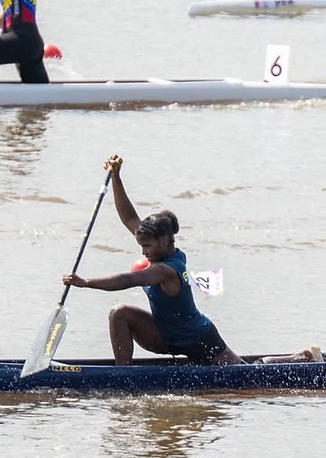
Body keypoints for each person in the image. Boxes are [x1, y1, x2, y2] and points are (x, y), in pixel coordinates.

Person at [63, 155, 245, 366]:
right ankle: (123, 376)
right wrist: (116, 177)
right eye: (142, 245)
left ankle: (285, 362)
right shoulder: (159, 248)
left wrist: (86, 283)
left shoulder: (167, 270)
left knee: (246, 373)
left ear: (165, 240)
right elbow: (129, 217)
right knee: (119, 313)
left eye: (147, 246)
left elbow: (126, 280)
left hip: (199, 339)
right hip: (167, 335)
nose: (143, 252)